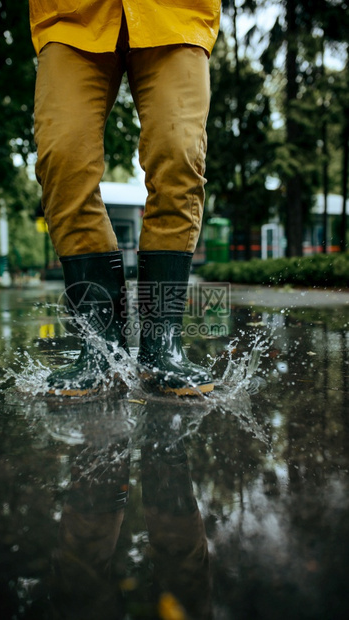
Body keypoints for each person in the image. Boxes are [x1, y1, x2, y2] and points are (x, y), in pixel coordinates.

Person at [29, 1, 221, 396]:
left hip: (175, 13)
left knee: (178, 151)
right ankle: (100, 346)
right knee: (61, 158)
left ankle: (161, 344)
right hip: (71, 16)